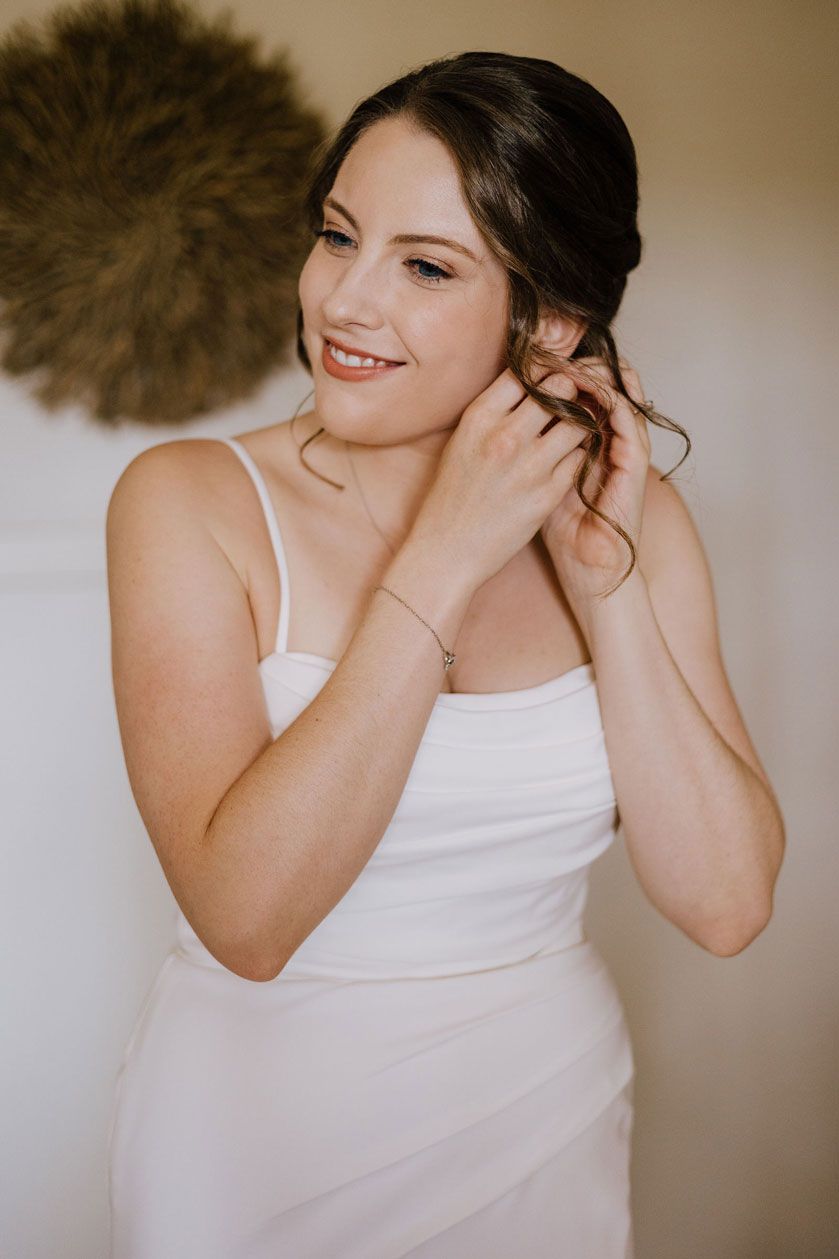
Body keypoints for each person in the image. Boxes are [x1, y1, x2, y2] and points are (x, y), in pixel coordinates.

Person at [104, 50, 785, 1259]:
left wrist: (602, 582)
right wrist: (444, 554)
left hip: (540, 1114)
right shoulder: (187, 501)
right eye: (336, 236)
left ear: (553, 316)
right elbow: (247, 921)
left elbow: (724, 900)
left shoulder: (633, 518)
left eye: (423, 266)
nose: (344, 302)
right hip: (262, 1142)